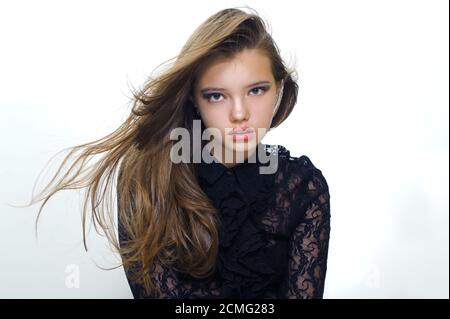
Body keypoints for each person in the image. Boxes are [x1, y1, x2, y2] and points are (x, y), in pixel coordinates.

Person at [29, 6, 331, 299]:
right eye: (216, 96)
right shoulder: (148, 177)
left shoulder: (303, 188)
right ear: (194, 99)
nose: (240, 113)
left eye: (256, 90)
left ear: (278, 88)